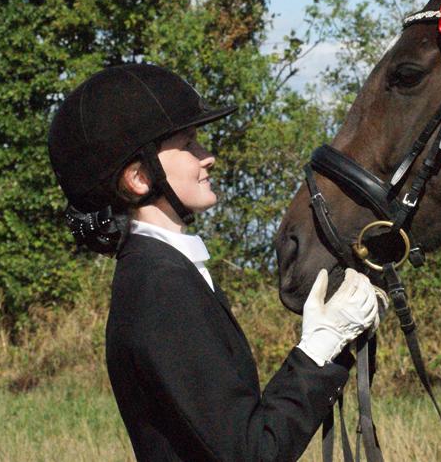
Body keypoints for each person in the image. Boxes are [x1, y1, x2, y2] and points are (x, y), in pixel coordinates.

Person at [47, 63, 381, 461]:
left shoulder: (164, 269)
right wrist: (320, 346)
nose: (209, 157)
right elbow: (251, 451)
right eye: (189, 145)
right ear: (139, 177)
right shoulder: (161, 287)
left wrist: (336, 345)